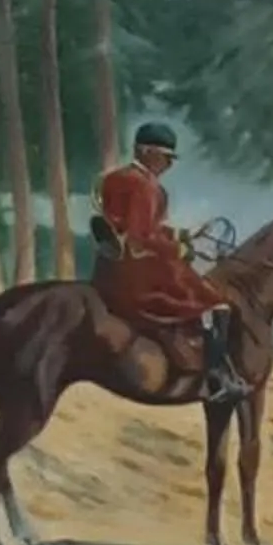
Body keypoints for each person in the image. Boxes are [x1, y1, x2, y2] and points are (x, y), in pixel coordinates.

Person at [92, 120, 245, 402]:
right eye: (166, 157)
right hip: (140, 275)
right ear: (145, 151)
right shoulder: (144, 185)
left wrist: (182, 234)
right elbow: (140, 237)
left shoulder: (117, 178)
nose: (169, 165)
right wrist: (180, 250)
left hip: (112, 270)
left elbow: (136, 227)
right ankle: (216, 378)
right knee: (217, 304)